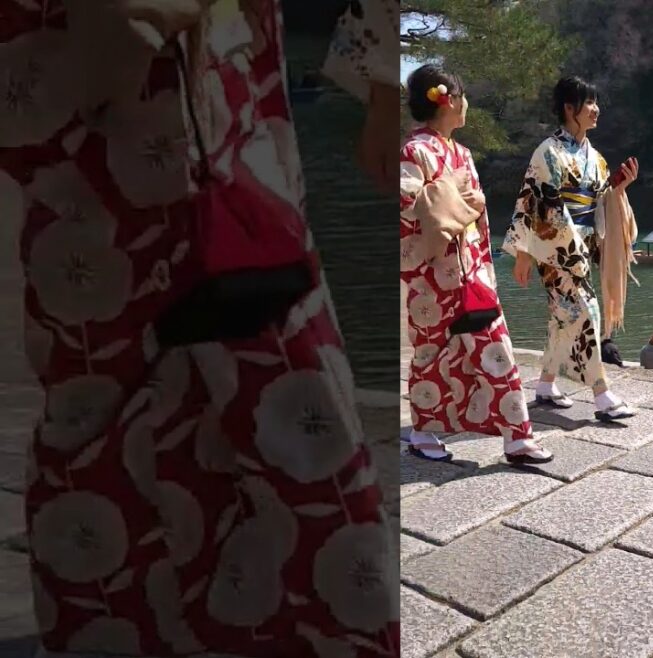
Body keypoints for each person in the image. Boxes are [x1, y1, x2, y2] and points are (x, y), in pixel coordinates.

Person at [0, 1, 397, 655]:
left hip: (205, 73)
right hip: (73, 60)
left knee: (267, 352)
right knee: (98, 366)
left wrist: (386, 83)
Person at [396, 65, 552, 465]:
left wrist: (484, 265)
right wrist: (460, 200)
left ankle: (517, 437)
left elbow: (475, 219)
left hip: (470, 272)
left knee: (495, 347)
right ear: (447, 100)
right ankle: (422, 432)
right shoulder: (413, 152)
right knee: (432, 356)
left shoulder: (460, 153)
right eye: (463, 96)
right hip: (430, 277)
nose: (467, 104)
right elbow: (407, 208)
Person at [503, 76, 639, 421]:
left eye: (595, 103)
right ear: (569, 108)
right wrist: (524, 252)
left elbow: (603, 199)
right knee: (587, 312)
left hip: (581, 244)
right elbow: (532, 202)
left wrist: (619, 188)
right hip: (556, 249)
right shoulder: (547, 152)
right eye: (588, 103)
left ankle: (546, 384)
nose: (596, 110)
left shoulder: (596, 157)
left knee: (562, 320)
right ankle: (602, 394)